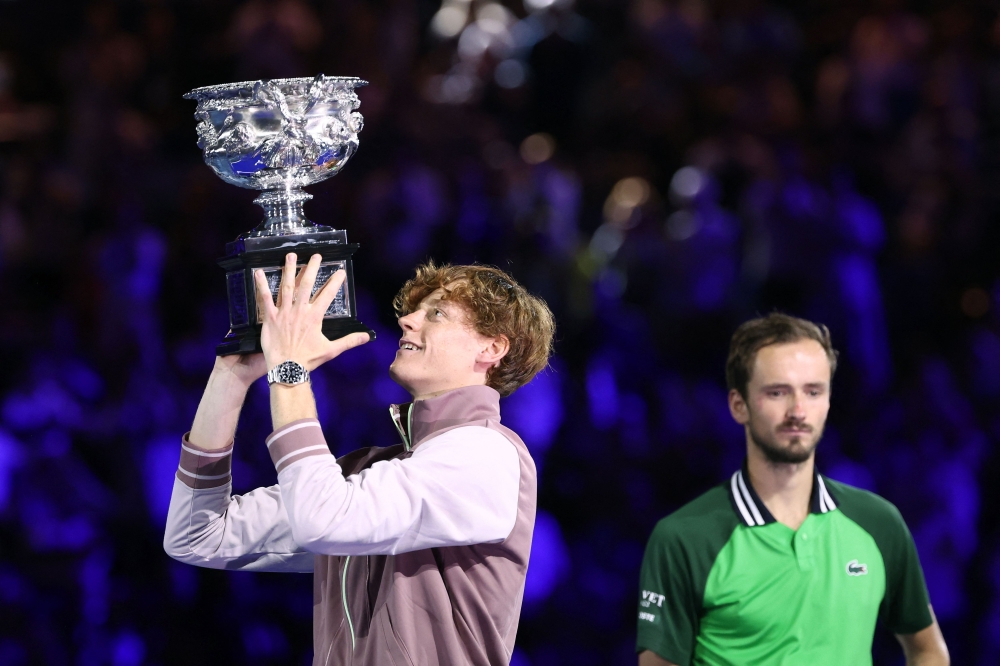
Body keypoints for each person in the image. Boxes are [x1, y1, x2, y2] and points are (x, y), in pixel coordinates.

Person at [164, 253, 555, 665]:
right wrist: (232, 374)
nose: (407, 320)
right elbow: (197, 536)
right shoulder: (367, 474)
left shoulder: (488, 454)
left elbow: (324, 518)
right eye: (412, 311)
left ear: (491, 348)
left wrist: (289, 370)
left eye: (436, 314)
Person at [636, 313, 950, 666]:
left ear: (829, 401)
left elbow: (928, 649)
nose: (798, 410)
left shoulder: (878, 523)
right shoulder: (684, 539)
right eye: (778, 392)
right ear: (739, 405)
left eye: (813, 391)